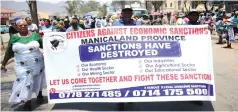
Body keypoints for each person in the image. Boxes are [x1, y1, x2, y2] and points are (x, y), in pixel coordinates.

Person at [1, 19, 46, 111]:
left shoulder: (35, 35)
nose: (22, 26)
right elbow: (9, 52)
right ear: (17, 27)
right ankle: (27, 101)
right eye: (20, 25)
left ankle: (39, 94)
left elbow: (45, 46)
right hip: (21, 65)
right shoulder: (14, 37)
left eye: (24, 25)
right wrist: (3, 63)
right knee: (26, 80)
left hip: (37, 63)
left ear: (27, 26)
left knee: (38, 78)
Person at [112, 8, 140, 111]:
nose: (127, 14)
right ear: (122, 14)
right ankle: (120, 102)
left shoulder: (137, 25)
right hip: (119, 57)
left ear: (132, 14)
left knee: (132, 78)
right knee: (120, 79)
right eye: (125, 13)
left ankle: (130, 96)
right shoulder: (115, 25)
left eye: (129, 13)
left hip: (133, 56)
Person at [185, 10, 204, 106]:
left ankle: (197, 96)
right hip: (187, 55)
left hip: (198, 55)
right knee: (188, 76)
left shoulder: (202, 27)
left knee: (198, 77)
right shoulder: (184, 27)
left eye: (196, 15)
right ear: (188, 16)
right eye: (192, 15)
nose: (194, 16)